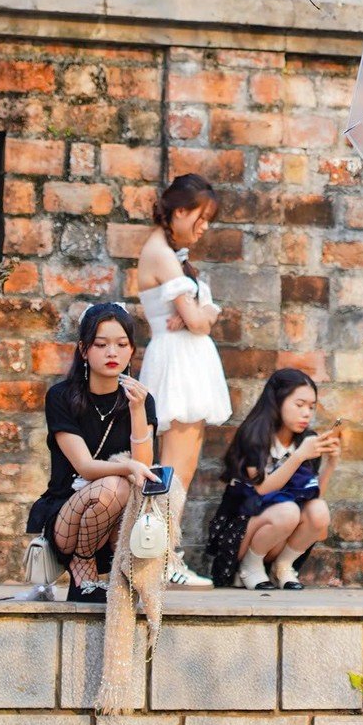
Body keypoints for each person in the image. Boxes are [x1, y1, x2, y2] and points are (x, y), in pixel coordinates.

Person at [27, 302, 159, 603]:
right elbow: (85, 466)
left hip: (114, 523)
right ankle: (81, 572)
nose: (112, 353)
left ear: (131, 351)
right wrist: (127, 469)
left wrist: (137, 409)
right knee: (116, 483)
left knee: (123, 485)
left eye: (121, 344)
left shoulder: (142, 399)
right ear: (84, 350)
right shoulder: (61, 397)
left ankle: (109, 577)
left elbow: (145, 466)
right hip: (65, 518)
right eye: (101, 344)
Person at [135, 173, 229, 588]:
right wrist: (202, 315)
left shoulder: (171, 252)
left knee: (183, 469)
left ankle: (167, 553)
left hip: (186, 359)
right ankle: (164, 556)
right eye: (201, 216)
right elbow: (197, 319)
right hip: (177, 361)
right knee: (174, 468)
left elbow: (201, 316)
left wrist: (202, 315)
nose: (204, 226)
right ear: (179, 211)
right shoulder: (160, 252)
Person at [207, 368, 342, 589]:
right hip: (241, 535)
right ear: (277, 401)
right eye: (299, 405)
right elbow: (262, 490)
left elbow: (313, 496)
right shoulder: (254, 435)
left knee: (319, 511)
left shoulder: (306, 439)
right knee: (287, 510)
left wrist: (331, 464)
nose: (307, 413)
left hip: (277, 537)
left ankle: (282, 567)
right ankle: (249, 567)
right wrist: (298, 457)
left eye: (311, 407)